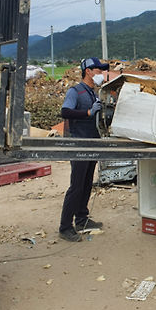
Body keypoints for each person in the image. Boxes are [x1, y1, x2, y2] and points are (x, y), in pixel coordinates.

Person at [58, 57, 108, 242]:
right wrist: (88, 112)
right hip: (79, 144)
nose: (101, 74)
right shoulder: (76, 92)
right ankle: (65, 227)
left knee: (87, 183)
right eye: (99, 70)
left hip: (92, 143)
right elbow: (65, 111)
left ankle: (81, 219)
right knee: (76, 186)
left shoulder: (94, 93)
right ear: (89, 71)